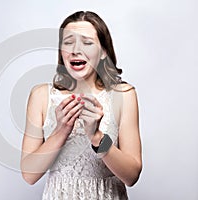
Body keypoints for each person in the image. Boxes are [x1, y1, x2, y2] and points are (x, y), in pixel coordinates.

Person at [20, 11, 142, 200]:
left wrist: (97, 137)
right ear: (61, 51)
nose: (76, 50)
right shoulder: (41, 96)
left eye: (87, 43)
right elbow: (29, 175)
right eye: (68, 42)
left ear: (103, 52)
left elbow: (132, 176)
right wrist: (61, 130)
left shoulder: (123, 95)